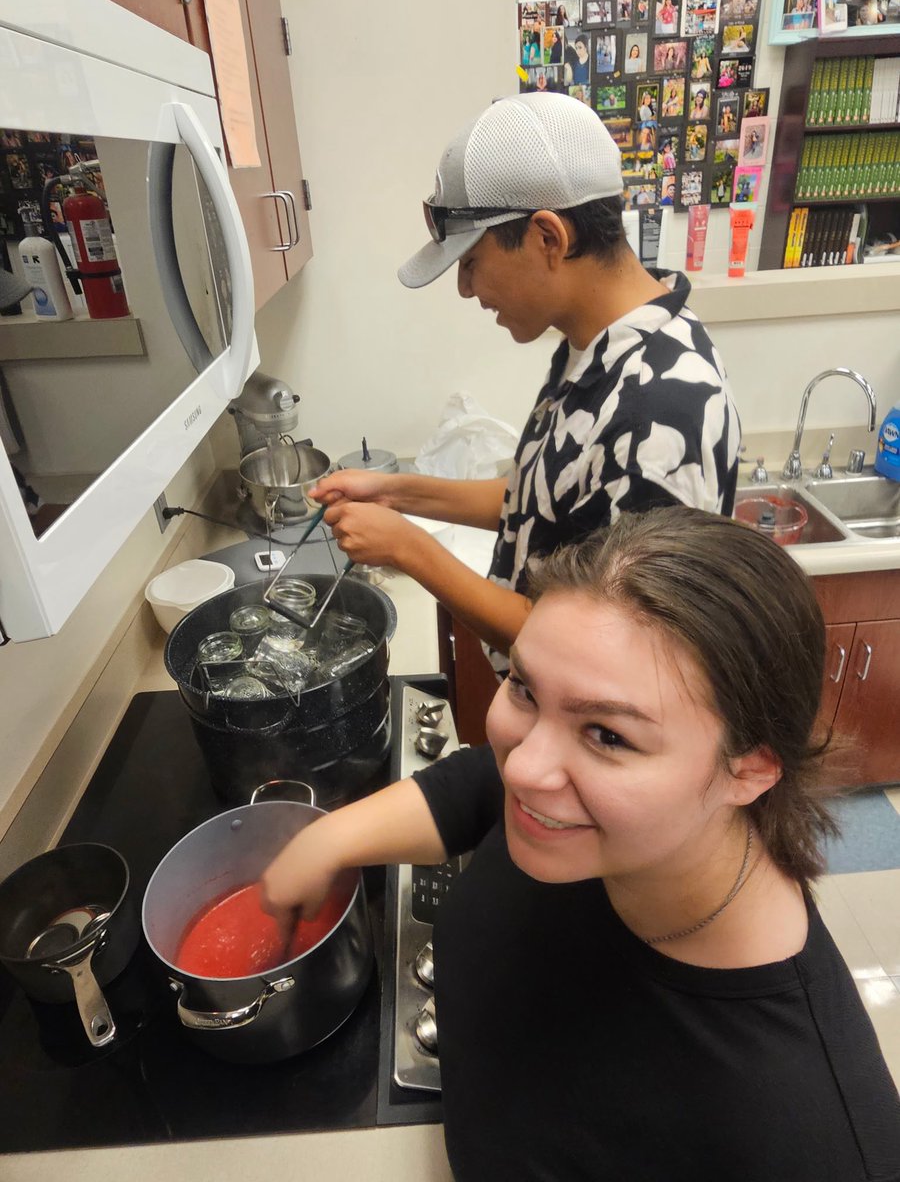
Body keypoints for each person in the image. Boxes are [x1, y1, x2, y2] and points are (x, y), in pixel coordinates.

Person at [260, 506, 900, 1182]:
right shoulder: (583, 822)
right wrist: (327, 841)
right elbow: (480, 783)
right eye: (525, 689)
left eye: (608, 735)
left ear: (750, 770)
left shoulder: (814, 1137)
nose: (526, 770)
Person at [312, 93, 740, 674]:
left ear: (548, 238)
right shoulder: (596, 344)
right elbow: (539, 499)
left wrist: (407, 548)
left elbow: (599, 658)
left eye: (470, 261)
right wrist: (395, 494)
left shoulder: (657, 414)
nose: (466, 289)